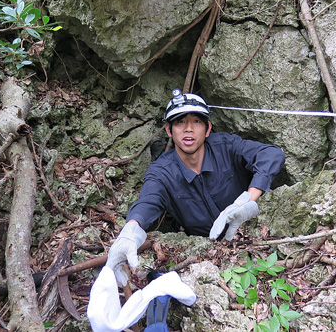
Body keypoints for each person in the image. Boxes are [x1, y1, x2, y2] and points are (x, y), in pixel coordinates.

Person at [106, 88, 285, 286]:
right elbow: (148, 200)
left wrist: (248, 200)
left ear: (208, 129)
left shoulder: (226, 146)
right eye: (180, 122)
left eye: (196, 121)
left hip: (255, 240)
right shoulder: (162, 171)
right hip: (205, 256)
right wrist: (131, 230)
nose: (188, 129)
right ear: (168, 130)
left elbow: (271, 154)